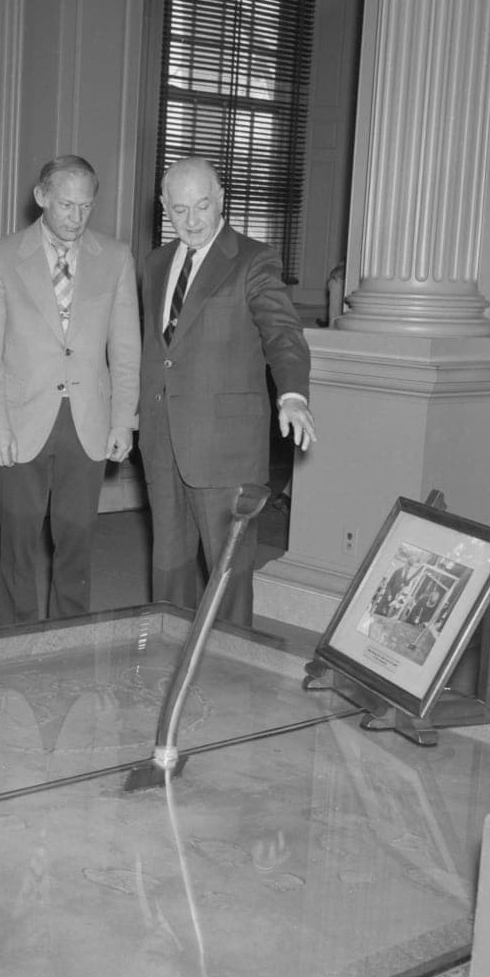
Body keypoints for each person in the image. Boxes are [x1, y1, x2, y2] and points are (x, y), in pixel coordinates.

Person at [139, 157, 316, 627]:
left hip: (225, 447)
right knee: (168, 569)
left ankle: (231, 664)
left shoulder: (254, 259)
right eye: (179, 210)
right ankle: (168, 657)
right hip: (163, 440)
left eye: (202, 206)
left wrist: (292, 394)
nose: (192, 221)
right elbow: (158, 351)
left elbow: (283, 333)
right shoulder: (156, 263)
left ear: (220, 199)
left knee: (227, 574)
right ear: (164, 207)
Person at [0, 155, 140, 625]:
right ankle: (15, 640)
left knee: (77, 540)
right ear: (41, 197)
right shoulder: (0, 257)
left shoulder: (116, 257)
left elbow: (126, 349)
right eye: (66, 205)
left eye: (86, 206)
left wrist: (123, 420)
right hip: (20, 420)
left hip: (88, 420)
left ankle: (69, 638)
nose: (76, 217)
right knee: (17, 542)